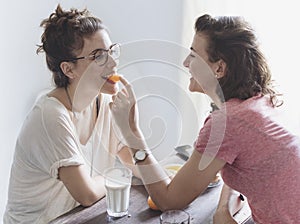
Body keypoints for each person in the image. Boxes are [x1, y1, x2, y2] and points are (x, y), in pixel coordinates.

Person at [110, 14, 300, 223]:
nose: (185, 62)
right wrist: (222, 210)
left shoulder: (228, 123)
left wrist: (131, 131)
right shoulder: (258, 102)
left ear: (219, 68)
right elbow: (240, 161)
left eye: (192, 55)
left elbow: (168, 200)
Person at [4, 5, 135, 223]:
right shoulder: (50, 115)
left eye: (111, 51)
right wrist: (120, 176)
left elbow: (134, 161)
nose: (113, 63)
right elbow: (87, 194)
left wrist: (134, 131)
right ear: (69, 69)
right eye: (99, 56)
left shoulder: (106, 102)